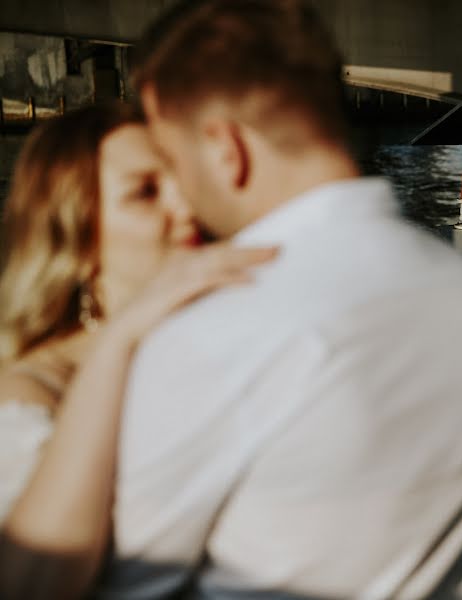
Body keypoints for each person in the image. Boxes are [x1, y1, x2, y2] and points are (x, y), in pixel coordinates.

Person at [100, 1, 462, 598]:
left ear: (223, 149)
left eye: (172, 160)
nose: (177, 197)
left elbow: (128, 587)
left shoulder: (213, 331)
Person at [0, 104, 277, 600]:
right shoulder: (26, 398)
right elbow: (30, 584)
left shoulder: (213, 344)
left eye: (182, 181)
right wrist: (120, 339)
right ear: (78, 236)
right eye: (145, 192)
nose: (185, 207)